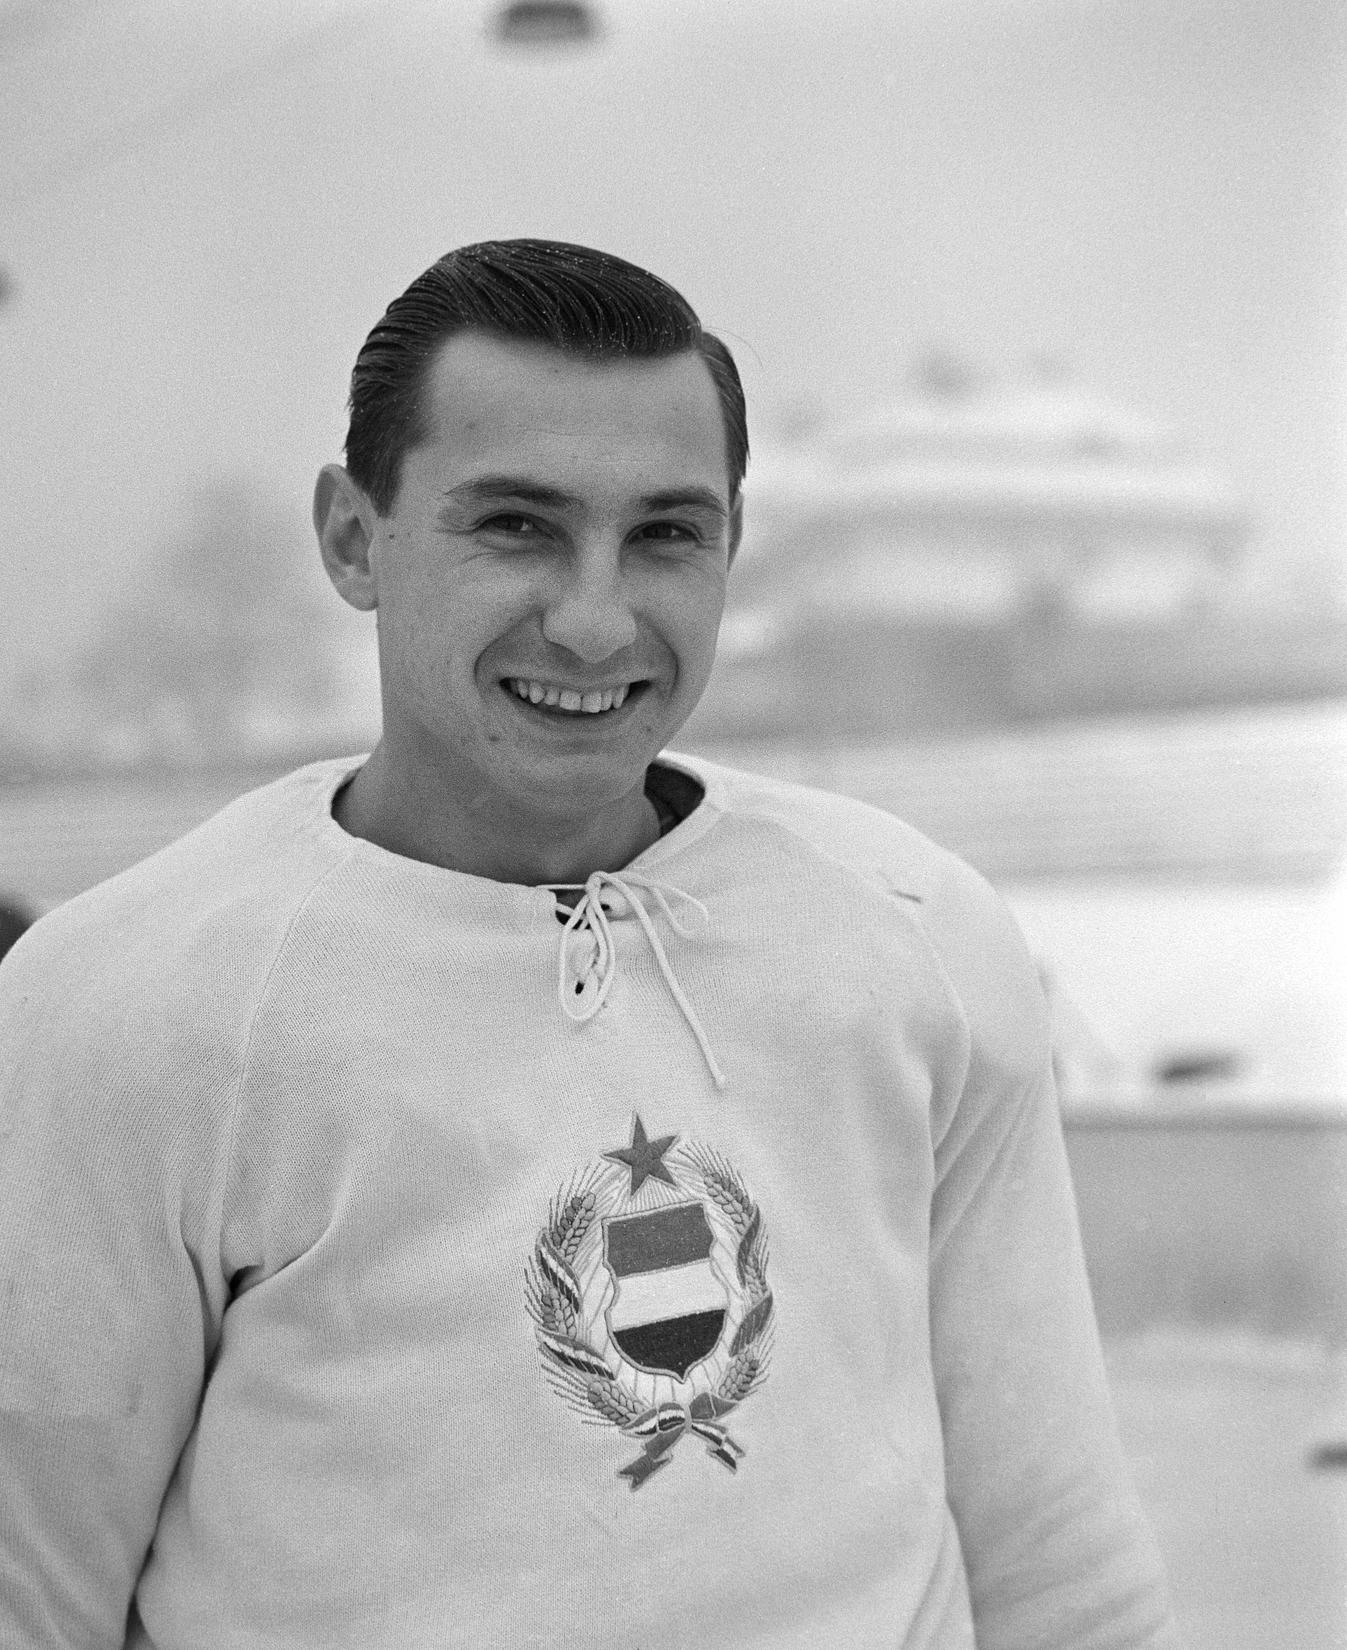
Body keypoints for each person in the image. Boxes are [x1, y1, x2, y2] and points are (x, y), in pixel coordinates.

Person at [0, 240, 1182, 1649]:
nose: (595, 618)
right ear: (354, 539)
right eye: (517, 525)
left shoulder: (913, 935)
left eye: (667, 534)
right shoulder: (128, 1005)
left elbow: (1059, 1560)